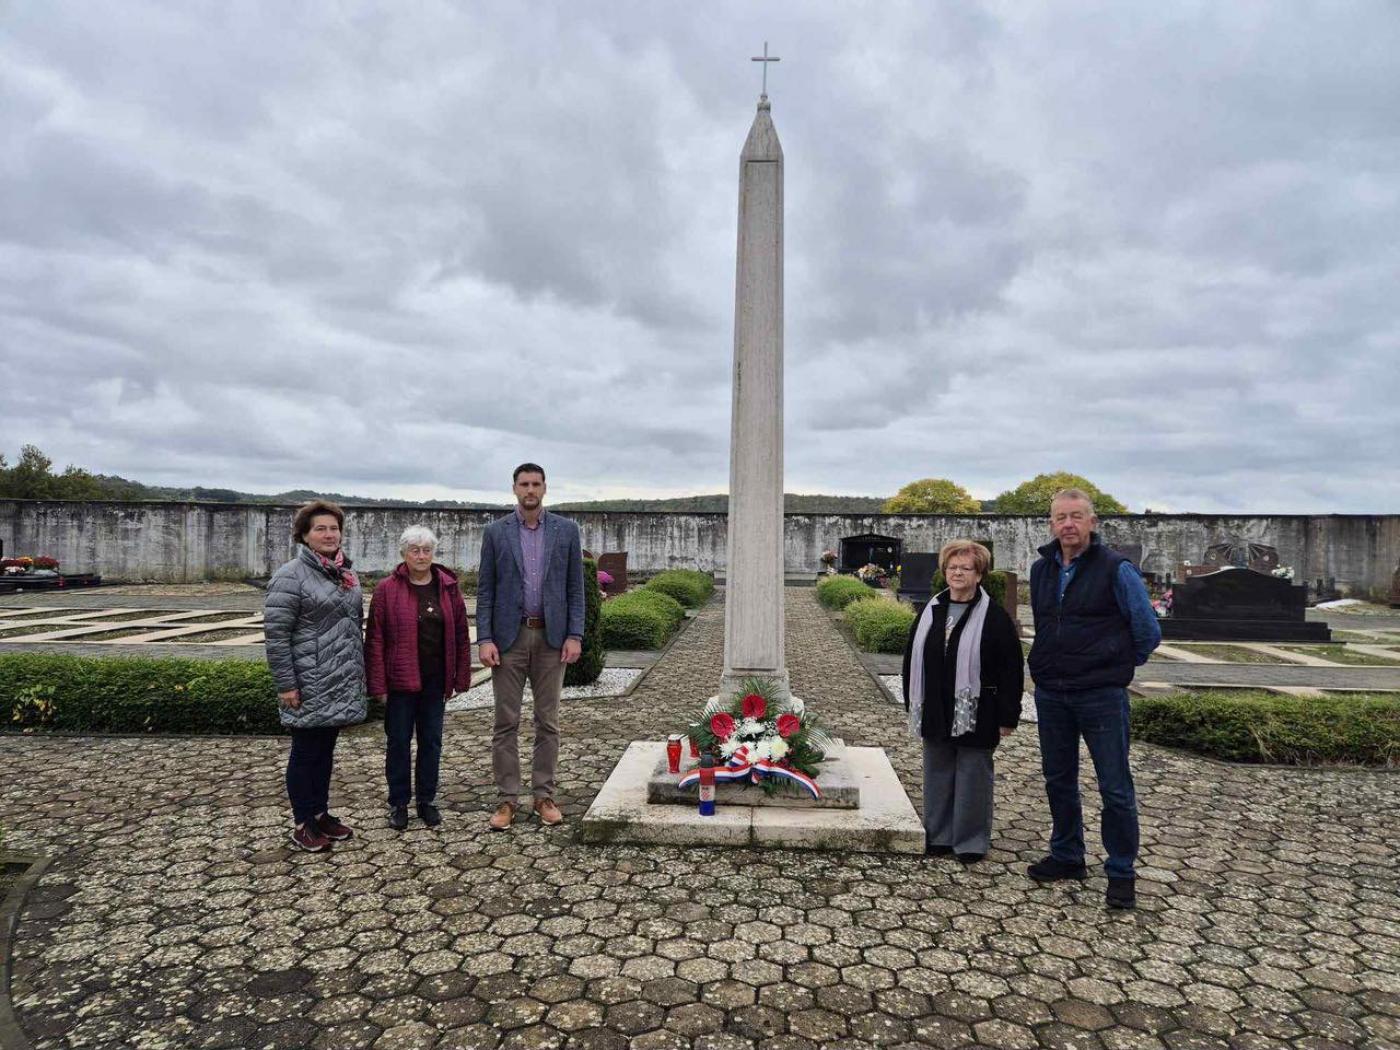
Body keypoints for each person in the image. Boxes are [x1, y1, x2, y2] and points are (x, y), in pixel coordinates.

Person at [1026, 488, 1161, 909]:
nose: (1068, 524)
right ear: (1051, 524)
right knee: (1058, 779)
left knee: (1115, 786)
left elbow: (1147, 630)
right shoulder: (1041, 569)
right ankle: (1068, 855)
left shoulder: (1116, 569)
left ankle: (1121, 871)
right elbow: (1047, 625)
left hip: (1100, 695)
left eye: (1077, 516)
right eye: (1061, 517)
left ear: (1093, 522)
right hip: (1052, 692)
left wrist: (1113, 665)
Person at [476, 463, 584, 831]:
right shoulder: (496, 533)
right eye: (524, 484)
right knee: (505, 722)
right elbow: (486, 589)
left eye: (536, 484)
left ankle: (543, 795)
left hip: (552, 640)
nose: (530, 490)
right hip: (510, 639)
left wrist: (575, 635)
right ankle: (507, 799)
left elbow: (575, 588)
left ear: (545, 488)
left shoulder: (567, 531)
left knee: (548, 722)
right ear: (514, 489)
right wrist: (485, 638)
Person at [901, 540, 1024, 863]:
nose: (957, 573)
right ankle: (939, 835)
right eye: (952, 567)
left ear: (979, 574)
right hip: (935, 707)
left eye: (965, 568)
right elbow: (911, 658)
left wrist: (1008, 716)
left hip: (978, 710)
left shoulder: (995, 618)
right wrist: (910, 703)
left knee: (973, 773)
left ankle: (969, 840)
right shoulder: (931, 611)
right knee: (937, 770)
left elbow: (1012, 668)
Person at [264, 500, 367, 853]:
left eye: (333, 528)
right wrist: (286, 684)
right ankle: (302, 822)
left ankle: (321, 813)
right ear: (305, 535)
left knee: (325, 751)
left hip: (338, 679)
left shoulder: (344, 573)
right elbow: (277, 635)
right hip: (308, 681)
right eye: (320, 529)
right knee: (305, 752)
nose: (328, 534)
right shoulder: (290, 575)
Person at [365, 525, 473, 831]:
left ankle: (426, 800)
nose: (421, 556)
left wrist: (459, 678)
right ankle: (399, 803)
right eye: (415, 550)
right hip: (400, 681)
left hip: (435, 681)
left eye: (427, 550)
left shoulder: (448, 587)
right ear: (403, 553)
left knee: (432, 743)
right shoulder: (387, 589)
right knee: (398, 742)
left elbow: (461, 636)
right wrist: (378, 685)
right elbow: (374, 639)